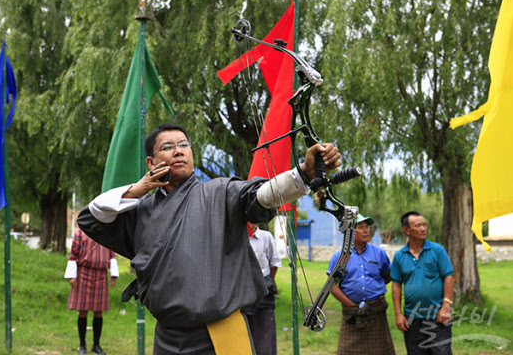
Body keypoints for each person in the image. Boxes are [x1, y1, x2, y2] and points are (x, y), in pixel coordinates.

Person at [77, 123, 342, 354]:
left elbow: (258, 195)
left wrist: (304, 173)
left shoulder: (219, 192)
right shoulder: (141, 210)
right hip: (168, 336)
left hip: (221, 332)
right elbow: (90, 218)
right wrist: (137, 189)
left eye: (184, 145)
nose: (179, 150)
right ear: (151, 162)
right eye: (168, 146)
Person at [327, 213, 395, 355]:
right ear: (349, 231)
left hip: (376, 313)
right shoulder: (339, 257)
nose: (366, 230)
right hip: (351, 314)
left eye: (367, 227)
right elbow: (331, 285)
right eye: (361, 227)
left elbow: (388, 276)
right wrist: (351, 305)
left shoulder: (379, 253)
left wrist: (374, 289)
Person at [391, 211, 454, 355]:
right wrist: (398, 314)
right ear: (407, 230)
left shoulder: (437, 250)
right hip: (411, 319)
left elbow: (449, 277)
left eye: (424, 225)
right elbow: (396, 285)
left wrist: (446, 306)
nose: (423, 228)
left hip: (438, 317)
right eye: (418, 225)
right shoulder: (400, 256)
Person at [64, 229, 119, 355]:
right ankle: (82, 345)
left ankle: (96, 345)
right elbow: (74, 254)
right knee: (83, 311)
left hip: (101, 275)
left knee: (98, 312)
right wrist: (73, 276)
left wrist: (114, 274)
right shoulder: (80, 233)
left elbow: (112, 254)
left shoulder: (107, 232)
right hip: (83, 273)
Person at [245, 223, 282, 355]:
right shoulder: (237, 237)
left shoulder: (266, 237)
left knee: (265, 345)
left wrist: (264, 285)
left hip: (263, 296)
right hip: (241, 297)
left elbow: (274, 264)